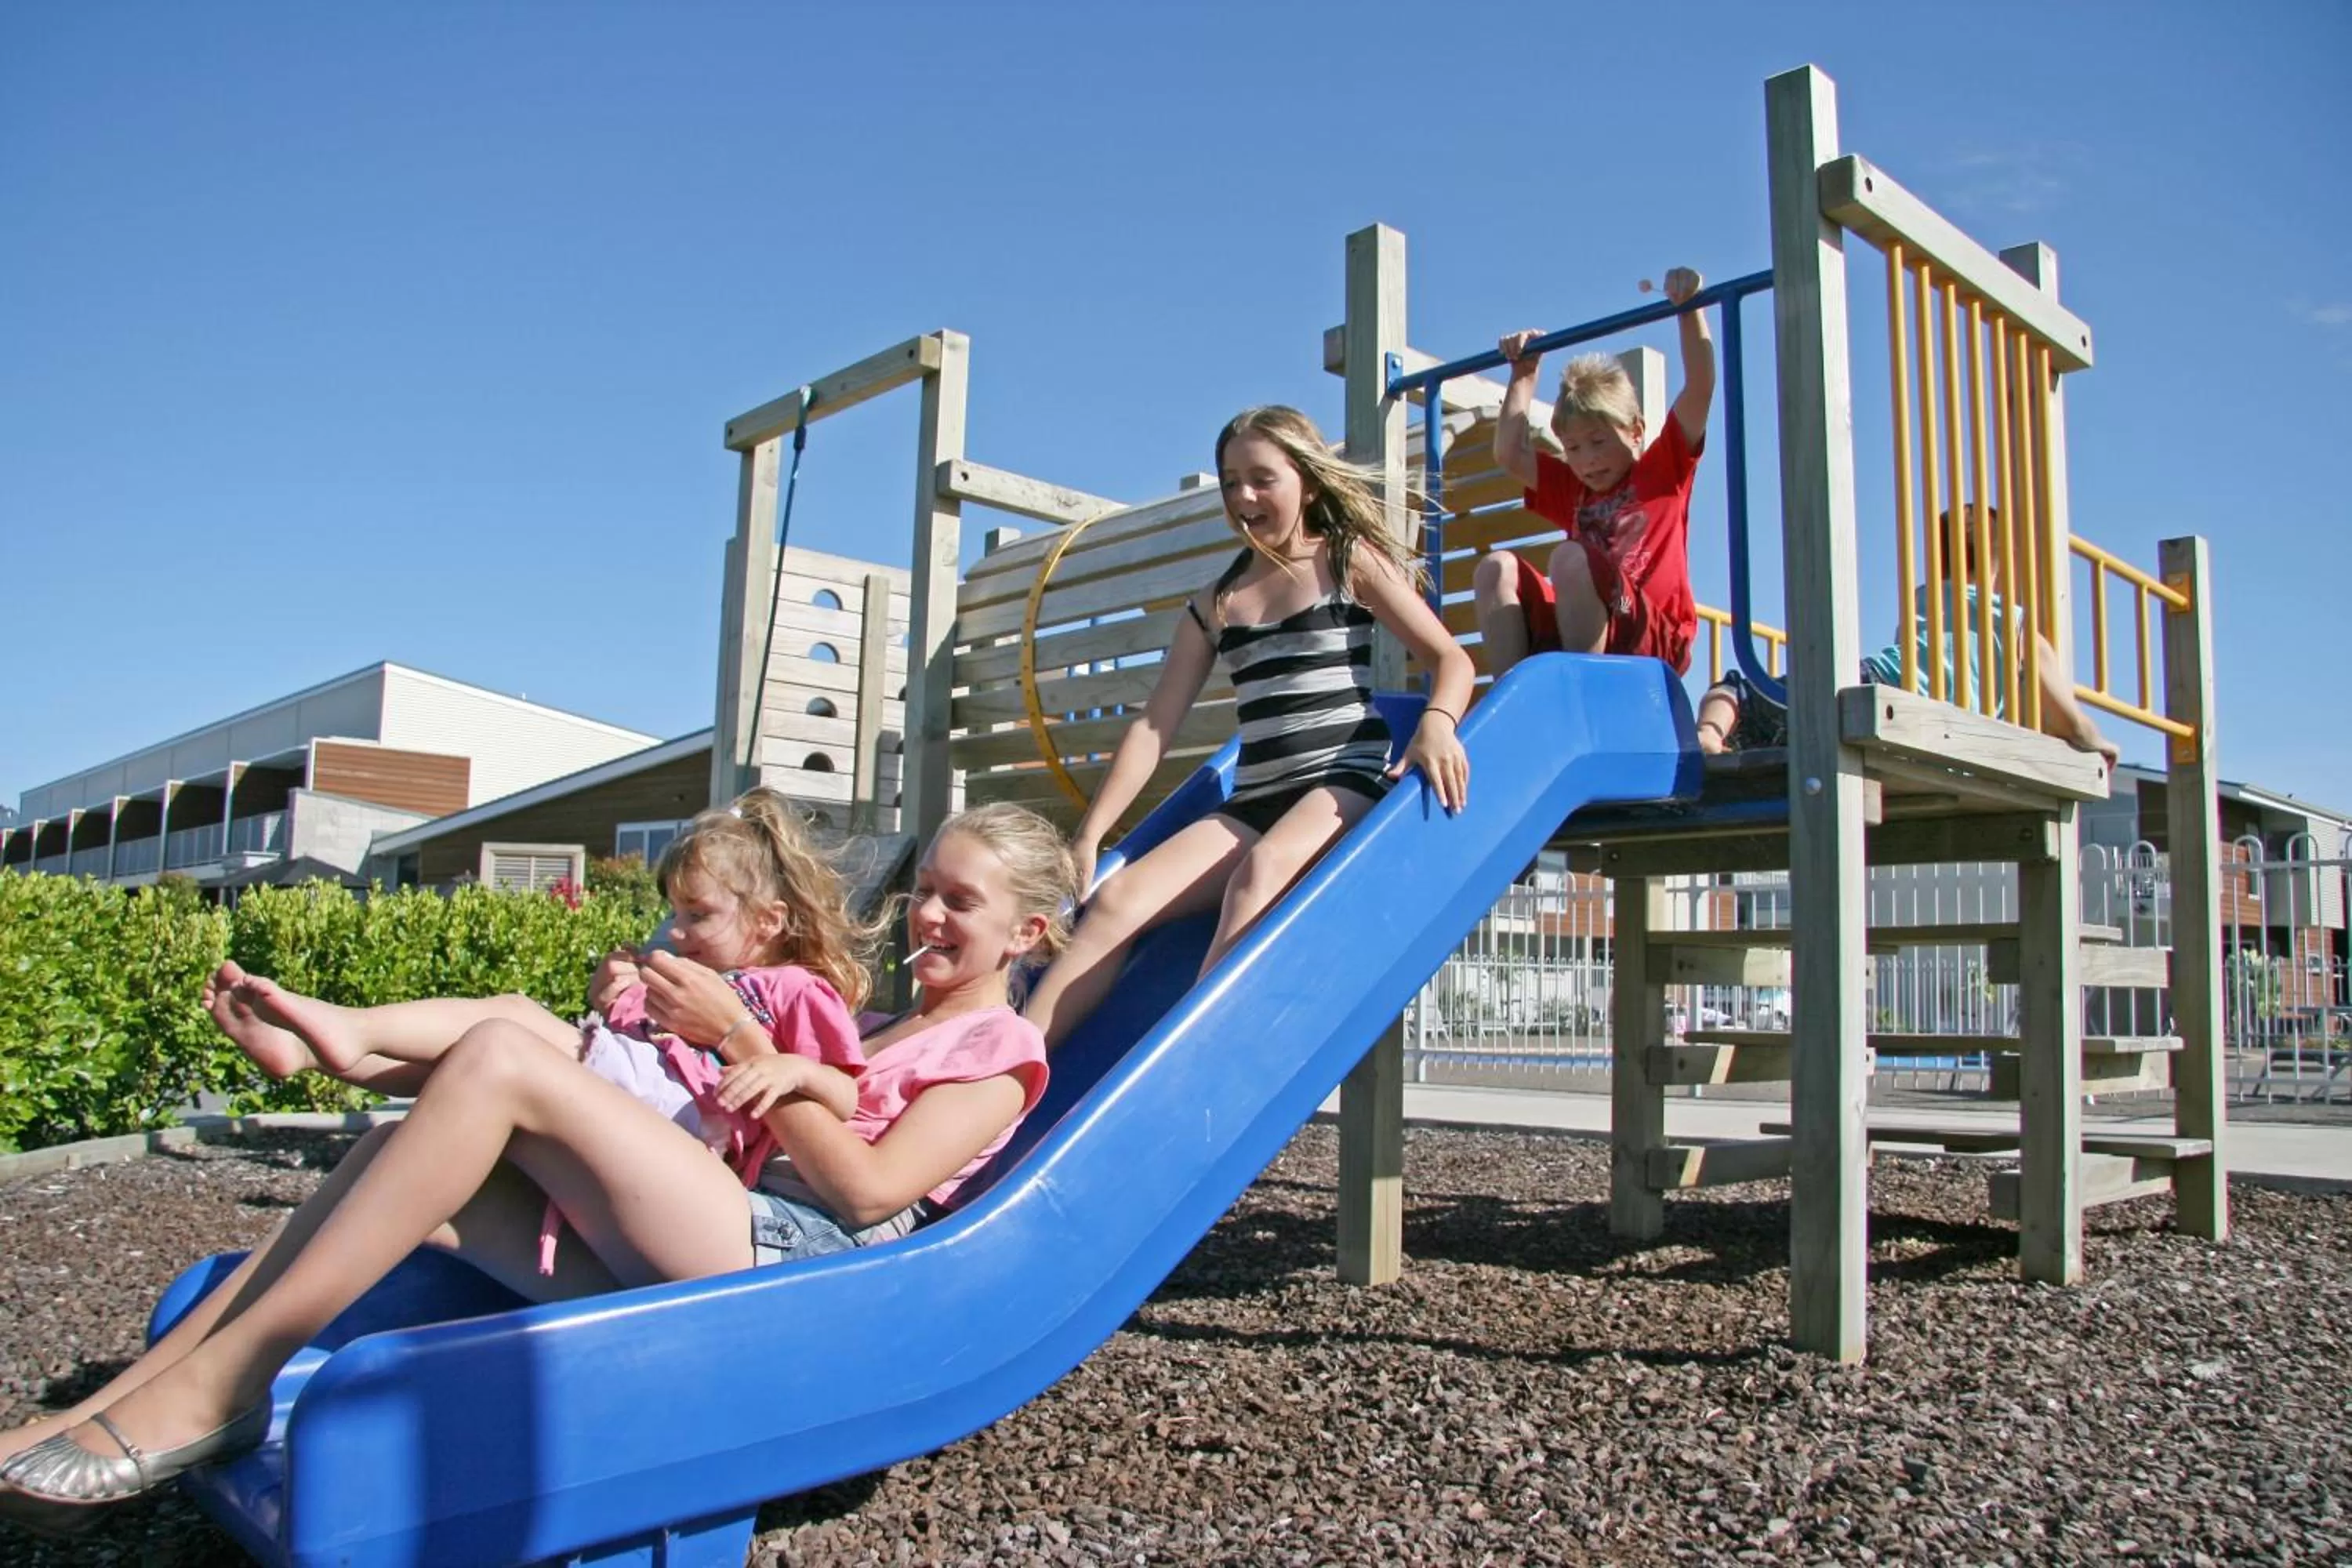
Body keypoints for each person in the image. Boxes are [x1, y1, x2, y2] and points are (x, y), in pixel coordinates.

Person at [0, 804, 1071, 1537]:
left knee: (502, 1057)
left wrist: (741, 1043)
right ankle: (144, 1390)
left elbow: (871, 1192)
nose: (928, 914)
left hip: (812, 1280)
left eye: (960, 902)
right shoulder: (880, 1026)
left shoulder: (1002, 1051)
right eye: (926, 889)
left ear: (1026, 930)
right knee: (401, 1146)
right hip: (730, 1227)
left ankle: (224, 1387)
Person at [1022, 404, 1475, 1051]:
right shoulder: (1217, 603)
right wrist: (1091, 835)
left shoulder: (1345, 559)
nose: (1244, 497)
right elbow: (1155, 725)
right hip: (1255, 797)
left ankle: (1190, 1060)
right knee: (1116, 900)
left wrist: (1437, 723)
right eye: (1231, 482)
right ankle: (1010, 1072)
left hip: (1341, 781)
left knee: (1260, 875)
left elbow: (1450, 658)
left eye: (1263, 479)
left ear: (1308, 483)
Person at [210, 789, 872, 1187]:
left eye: (698, 915)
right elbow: (636, 1038)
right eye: (673, 912)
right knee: (470, 1056)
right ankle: (323, 1054)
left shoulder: (794, 989)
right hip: (645, 1102)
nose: (676, 931)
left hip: (688, 1125)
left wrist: (784, 1066)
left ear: (768, 921)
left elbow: (844, 1094)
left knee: (513, 1017)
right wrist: (614, 997)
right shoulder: (690, 979)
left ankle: (354, 1029)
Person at [1692, 504, 2120, 768]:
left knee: (1743, 693)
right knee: (1792, 713)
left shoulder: (1924, 601)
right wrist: (2093, 738)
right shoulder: (2014, 623)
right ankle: (1714, 735)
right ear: (2002, 563)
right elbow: (2067, 720)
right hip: (1896, 700)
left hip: (1881, 683)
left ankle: (1710, 732)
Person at [1472, 267, 1716, 677]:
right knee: (1496, 567)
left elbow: (1700, 388)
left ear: (1635, 432)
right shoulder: (1574, 488)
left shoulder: (1661, 473)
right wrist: (1524, 375)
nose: (1587, 460)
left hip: (1651, 633)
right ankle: (1513, 699)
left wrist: (1689, 310)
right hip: (1590, 629)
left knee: (1570, 557)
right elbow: (1510, 454)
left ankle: (1587, 692)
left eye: (1599, 441)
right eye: (1573, 448)